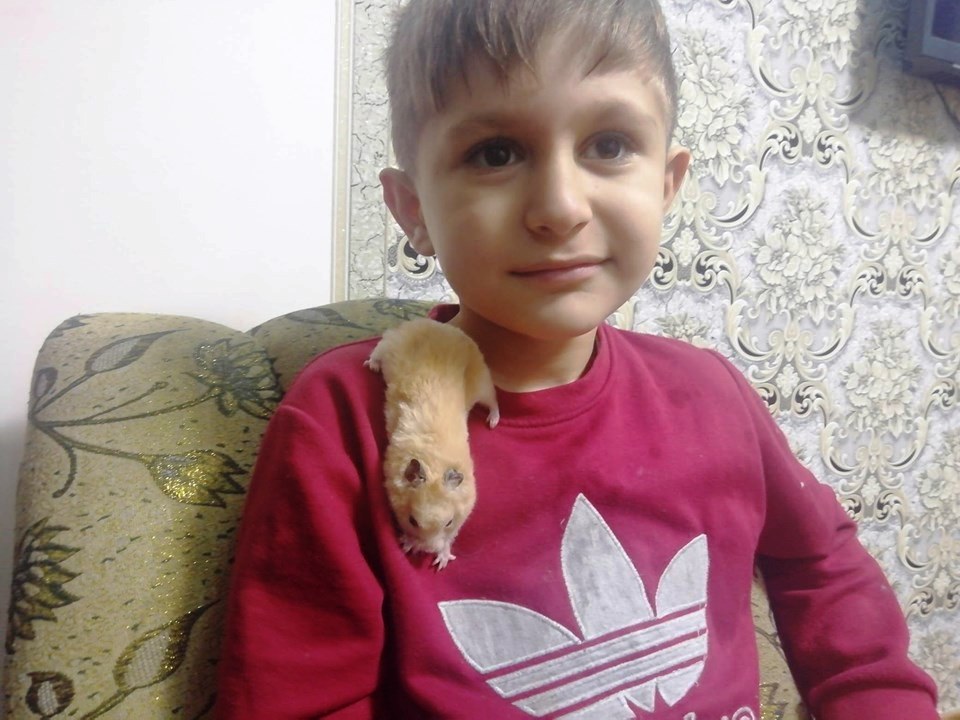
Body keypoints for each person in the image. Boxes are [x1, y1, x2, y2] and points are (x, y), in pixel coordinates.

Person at [214, 1, 941, 718]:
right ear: (413, 210)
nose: (560, 207)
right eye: (496, 153)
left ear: (666, 184)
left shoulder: (711, 392)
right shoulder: (342, 418)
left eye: (610, 145)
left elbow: (824, 568)